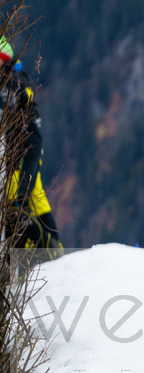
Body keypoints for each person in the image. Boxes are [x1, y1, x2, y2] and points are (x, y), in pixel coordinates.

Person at [0, 36, 62, 257]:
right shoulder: (16, 81)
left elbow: (12, 114)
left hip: (20, 159)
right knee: (35, 204)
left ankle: (49, 253)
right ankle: (55, 251)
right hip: (24, 156)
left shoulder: (12, 84)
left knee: (18, 211)